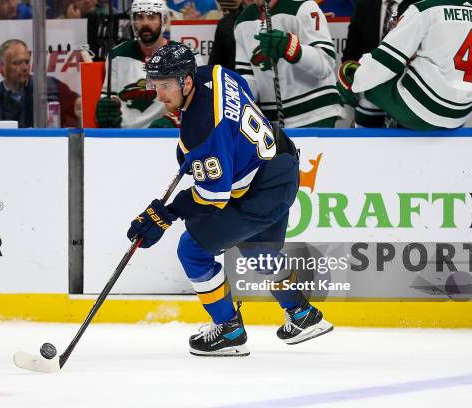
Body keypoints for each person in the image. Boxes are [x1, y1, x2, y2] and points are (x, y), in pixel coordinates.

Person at [127, 44, 333, 356]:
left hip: (261, 189)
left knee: (192, 250)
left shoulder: (200, 128)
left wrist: (166, 213)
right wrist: (216, 151)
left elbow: (214, 196)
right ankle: (302, 314)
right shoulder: (215, 73)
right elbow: (244, 93)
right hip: (282, 165)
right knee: (257, 251)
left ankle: (228, 328)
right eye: (156, 85)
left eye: (166, 85)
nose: (159, 94)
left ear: (186, 81)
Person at [338, 0, 472, 130]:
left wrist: (355, 79)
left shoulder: (425, 9)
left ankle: (365, 145)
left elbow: (384, 62)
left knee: (370, 85)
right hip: (462, 112)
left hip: (427, 110)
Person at [234, 0, 344, 127]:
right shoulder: (242, 21)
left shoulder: (303, 6)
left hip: (315, 114)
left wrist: (291, 49)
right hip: (271, 123)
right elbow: (248, 76)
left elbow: (325, 63)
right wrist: (237, 94)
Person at [95, 0, 201, 129]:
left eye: (152, 17)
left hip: (168, 139)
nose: (145, 23)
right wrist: (107, 111)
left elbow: (201, 100)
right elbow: (111, 99)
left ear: (164, 20)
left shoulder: (186, 56)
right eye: (139, 17)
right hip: (125, 138)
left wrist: (174, 119)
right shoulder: (117, 56)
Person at [342, 0, 418, 126]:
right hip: (367, 98)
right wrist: (355, 89)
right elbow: (351, 54)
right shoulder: (364, 5)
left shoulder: (419, 6)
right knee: (365, 143)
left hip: (407, 101)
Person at [0, 39, 79, 128]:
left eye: (27, 62)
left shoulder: (50, 88)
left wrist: (79, 105)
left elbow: (79, 107)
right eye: (17, 63)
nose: (25, 68)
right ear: (3, 67)